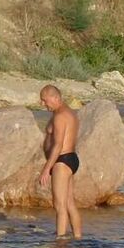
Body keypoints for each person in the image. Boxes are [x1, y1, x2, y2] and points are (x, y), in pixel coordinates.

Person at [38, 85, 82, 239]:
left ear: (56, 98)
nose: (43, 104)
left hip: (62, 161)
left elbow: (58, 145)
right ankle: (77, 238)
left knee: (60, 206)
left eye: (45, 100)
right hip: (71, 159)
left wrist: (46, 169)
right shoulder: (69, 113)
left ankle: (60, 241)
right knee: (69, 203)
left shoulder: (60, 116)